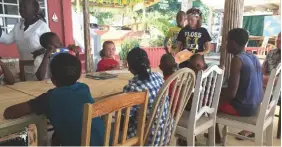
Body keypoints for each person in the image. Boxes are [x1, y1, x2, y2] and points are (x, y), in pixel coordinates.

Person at [4, 54, 105, 146]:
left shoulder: (50, 98)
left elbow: (8, 113)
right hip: (106, 141)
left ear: (53, 80)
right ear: (79, 75)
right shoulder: (84, 88)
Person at [219, 28, 263, 137]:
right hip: (255, 105)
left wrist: (215, 103)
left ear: (233, 43)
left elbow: (231, 94)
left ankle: (214, 135)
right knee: (216, 97)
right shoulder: (254, 57)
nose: (226, 44)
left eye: (227, 41)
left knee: (206, 102)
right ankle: (216, 135)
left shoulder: (237, 60)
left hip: (243, 109)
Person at [124, 47, 171, 145]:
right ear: (148, 62)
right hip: (166, 133)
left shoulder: (133, 87)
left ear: (130, 67)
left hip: (148, 138)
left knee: (118, 127)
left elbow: (126, 115)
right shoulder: (158, 76)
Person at [0, 0, 51, 81]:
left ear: (34, 9)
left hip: (40, 69)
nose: (21, 9)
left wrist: (43, 51)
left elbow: (52, 46)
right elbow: (7, 39)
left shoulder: (42, 26)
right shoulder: (18, 26)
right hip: (25, 69)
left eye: (24, 7)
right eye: (20, 7)